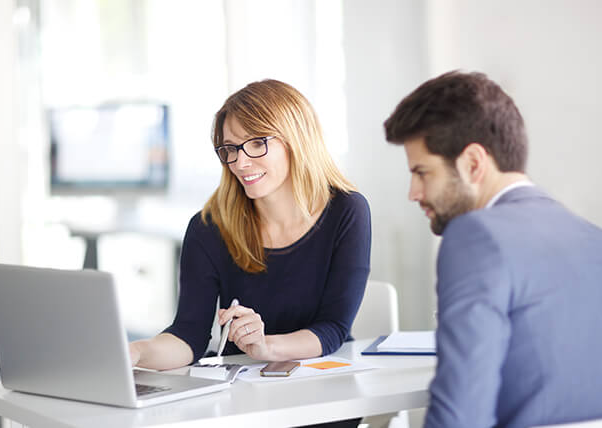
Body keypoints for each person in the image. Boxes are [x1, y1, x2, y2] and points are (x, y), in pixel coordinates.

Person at [383, 70, 602, 428]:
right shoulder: (593, 237)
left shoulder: (475, 236)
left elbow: (461, 416)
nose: (413, 193)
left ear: (472, 164)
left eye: (422, 173)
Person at [130, 79, 371, 379]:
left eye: (257, 143)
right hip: (242, 390)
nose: (240, 162)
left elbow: (333, 328)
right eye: (230, 148)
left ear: (296, 139)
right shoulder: (209, 227)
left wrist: (265, 346)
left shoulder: (346, 211)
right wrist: (137, 351)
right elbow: (189, 335)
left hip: (323, 385)